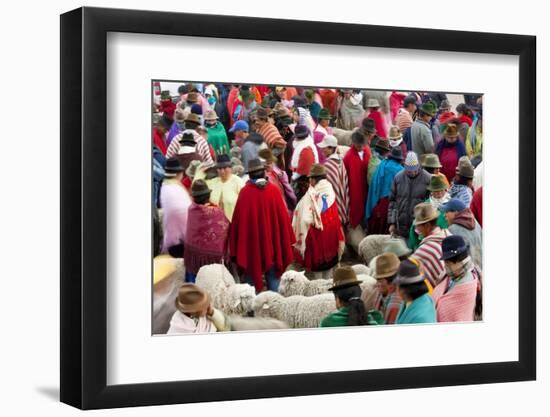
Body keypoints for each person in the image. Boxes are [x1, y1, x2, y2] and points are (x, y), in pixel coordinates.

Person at [229, 158, 295, 292]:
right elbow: (283, 221)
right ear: (263, 173)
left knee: (250, 281)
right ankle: (275, 307)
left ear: (250, 175)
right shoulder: (274, 191)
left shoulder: (245, 193)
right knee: (273, 278)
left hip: (252, 247)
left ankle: (252, 308)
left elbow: (238, 223)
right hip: (272, 244)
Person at [292, 164, 345, 279]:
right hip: (331, 237)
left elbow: (306, 218)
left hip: (317, 239)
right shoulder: (329, 189)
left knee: (318, 279)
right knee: (329, 275)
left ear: (313, 179)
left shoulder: (312, 195)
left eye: (310, 178)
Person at [183, 180, 230, 283]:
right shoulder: (216, 212)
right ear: (208, 195)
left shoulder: (191, 209)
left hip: (193, 258)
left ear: (193, 197)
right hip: (213, 262)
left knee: (194, 287)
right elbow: (226, 229)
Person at [432, 235, 482, 322]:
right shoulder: (454, 275)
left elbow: (452, 313)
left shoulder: (466, 285)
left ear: (459, 261)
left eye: (447, 263)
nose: (445, 266)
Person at [388, 151, 431, 238]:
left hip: (419, 226)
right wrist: (392, 223)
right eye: (409, 171)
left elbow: (430, 203)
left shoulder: (427, 178)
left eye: (415, 170)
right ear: (405, 167)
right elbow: (393, 202)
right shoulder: (398, 178)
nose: (413, 173)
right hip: (401, 225)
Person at [365, 146, 404, 235]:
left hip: (377, 202)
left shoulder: (382, 164)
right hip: (390, 203)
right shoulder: (400, 170)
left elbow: (375, 183)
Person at [410, 203, 451, 287]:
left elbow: (408, 269)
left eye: (418, 226)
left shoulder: (426, 249)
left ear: (427, 225)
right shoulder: (446, 235)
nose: (416, 229)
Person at [159, 158, 192, 256]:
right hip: (184, 239)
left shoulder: (165, 187)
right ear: (178, 174)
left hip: (172, 239)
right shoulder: (177, 189)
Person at [408, 174, 450, 250]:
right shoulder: (425, 206)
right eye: (436, 191)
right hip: (428, 243)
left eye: (441, 190)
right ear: (431, 191)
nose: (439, 194)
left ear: (445, 189)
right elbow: (414, 229)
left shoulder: (450, 204)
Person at [440, 198, 483, 268]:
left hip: (469, 271)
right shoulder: (475, 222)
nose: (444, 215)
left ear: (456, 212)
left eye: (447, 212)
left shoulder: (453, 229)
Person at [319, 134, 349, 226]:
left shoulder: (327, 166)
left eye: (324, 147)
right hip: (343, 201)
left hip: (334, 202)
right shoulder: (340, 160)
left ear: (331, 148)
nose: (321, 149)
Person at [394, 259, 437, 324]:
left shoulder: (421, 319)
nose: (396, 290)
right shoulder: (407, 301)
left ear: (403, 290)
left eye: (397, 286)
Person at [344, 130, 372, 229]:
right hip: (355, 189)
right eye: (359, 146)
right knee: (356, 209)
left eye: (363, 145)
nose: (361, 148)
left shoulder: (367, 151)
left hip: (366, 187)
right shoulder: (348, 157)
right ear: (354, 143)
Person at [207, 154, 244, 221]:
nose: (222, 171)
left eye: (224, 168)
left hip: (233, 223)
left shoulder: (238, 182)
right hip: (216, 223)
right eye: (219, 168)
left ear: (230, 168)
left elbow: (245, 205)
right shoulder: (212, 183)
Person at [290, 124, 319, 201]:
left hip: (304, 182)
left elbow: (304, 169)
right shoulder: (303, 146)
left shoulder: (306, 149)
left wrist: (294, 177)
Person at [372, 253, 403, 324]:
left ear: (391, 284)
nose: (377, 284)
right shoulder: (382, 294)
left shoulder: (395, 304)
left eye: (380, 281)